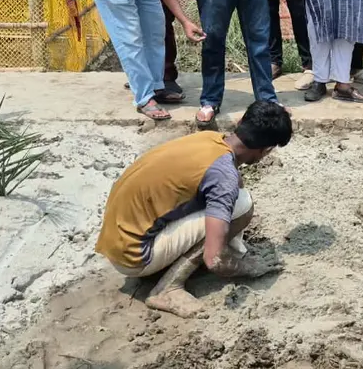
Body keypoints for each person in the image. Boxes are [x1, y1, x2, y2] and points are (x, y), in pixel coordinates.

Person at [96, 101, 292, 318]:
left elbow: (229, 180)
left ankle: (231, 247)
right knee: (242, 206)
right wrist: (249, 267)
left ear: (240, 123)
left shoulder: (210, 138)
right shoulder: (223, 176)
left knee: (232, 196)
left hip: (115, 239)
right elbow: (214, 260)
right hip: (134, 257)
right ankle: (167, 289)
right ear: (266, 149)